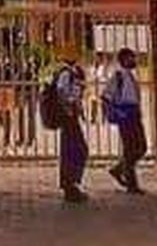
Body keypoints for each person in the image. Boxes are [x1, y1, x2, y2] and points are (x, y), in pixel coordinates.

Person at [103, 47, 147, 194]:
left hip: (134, 114)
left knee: (141, 147)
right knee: (130, 148)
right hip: (125, 115)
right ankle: (131, 184)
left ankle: (118, 169)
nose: (134, 60)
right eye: (130, 58)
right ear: (123, 60)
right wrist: (117, 112)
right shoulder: (118, 76)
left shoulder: (130, 76)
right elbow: (106, 96)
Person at [52, 44, 89, 203]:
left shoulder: (69, 72)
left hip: (70, 116)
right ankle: (70, 184)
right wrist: (70, 102)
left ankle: (71, 184)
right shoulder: (66, 73)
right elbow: (61, 90)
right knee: (78, 150)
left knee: (72, 150)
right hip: (68, 116)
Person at [0, 52, 15, 150]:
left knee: (7, 113)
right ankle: (4, 126)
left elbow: (13, 76)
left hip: (8, 89)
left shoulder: (11, 64)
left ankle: (7, 137)